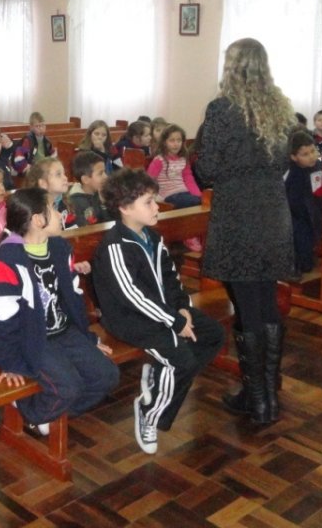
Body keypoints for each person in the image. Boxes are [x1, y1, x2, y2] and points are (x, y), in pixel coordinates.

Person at [196, 38, 295, 426]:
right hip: (272, 210)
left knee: (247, 304)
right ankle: (267, 395)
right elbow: (284, 161)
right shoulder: (282, 107)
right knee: (265, 302)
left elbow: (208, 168)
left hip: (238, 211)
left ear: (232, 67)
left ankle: (258, 402)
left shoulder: (222, 108)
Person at [92, 169, 223, 453]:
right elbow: (132, 296)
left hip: (162, 312)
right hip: (128, 319)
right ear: (125, 209)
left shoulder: (152, 237)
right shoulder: (116, 245)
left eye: (154, 200)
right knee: (182, 361)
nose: (156, 206)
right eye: (148, 202)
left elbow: (170, 277)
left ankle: (158, 375)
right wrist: (174, 321)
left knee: (213, 334)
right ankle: (149, 413)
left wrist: (182, 308)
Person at [0, 188, 119, 436]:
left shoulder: (59, 248)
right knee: (68, 387)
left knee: (107, 375)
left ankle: (47, 413)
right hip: (30, 339)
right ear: (38, 220)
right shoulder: (6, 259)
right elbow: (0, 319)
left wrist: (88, 339)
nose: (61, 214)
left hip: (64, 331)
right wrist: (10, 362)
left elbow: (74, 298)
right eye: (55, 209)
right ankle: (28, 410)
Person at [146, 122, 203, 251]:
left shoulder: (183, 158)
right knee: (190, 203)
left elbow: (188, 178)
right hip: (168, 195)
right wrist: (154, 198)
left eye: (179, 140)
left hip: (183, 192)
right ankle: (187, 235)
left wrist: (198, 194)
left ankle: (194, 232)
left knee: (199, 201)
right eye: (172, 140)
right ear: (164, 142)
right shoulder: (159, 160)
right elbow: (149, 180)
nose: (176, 143)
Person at [283, 131, 322, 275]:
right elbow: (292, 202)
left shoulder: (319, 165)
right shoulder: (292, 173)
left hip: (315, 212)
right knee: (304, 255)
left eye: (313, 151)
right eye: (305, 154)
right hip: (297, 217)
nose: (311, 156)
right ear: (293, 157)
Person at [66, 151, 110, 228]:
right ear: (86, 179)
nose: (105, 176)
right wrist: (103, 204)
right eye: (100, 173)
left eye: (105, 172)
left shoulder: (100, 192)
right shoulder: (76, 203)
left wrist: (104, 202)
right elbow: (91, 230)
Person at [25, 157, 70, 227]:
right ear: (43, 183)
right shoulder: (35, 211)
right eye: (58, 174)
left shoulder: (66, 203)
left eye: (64, 173)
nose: (65, 178)